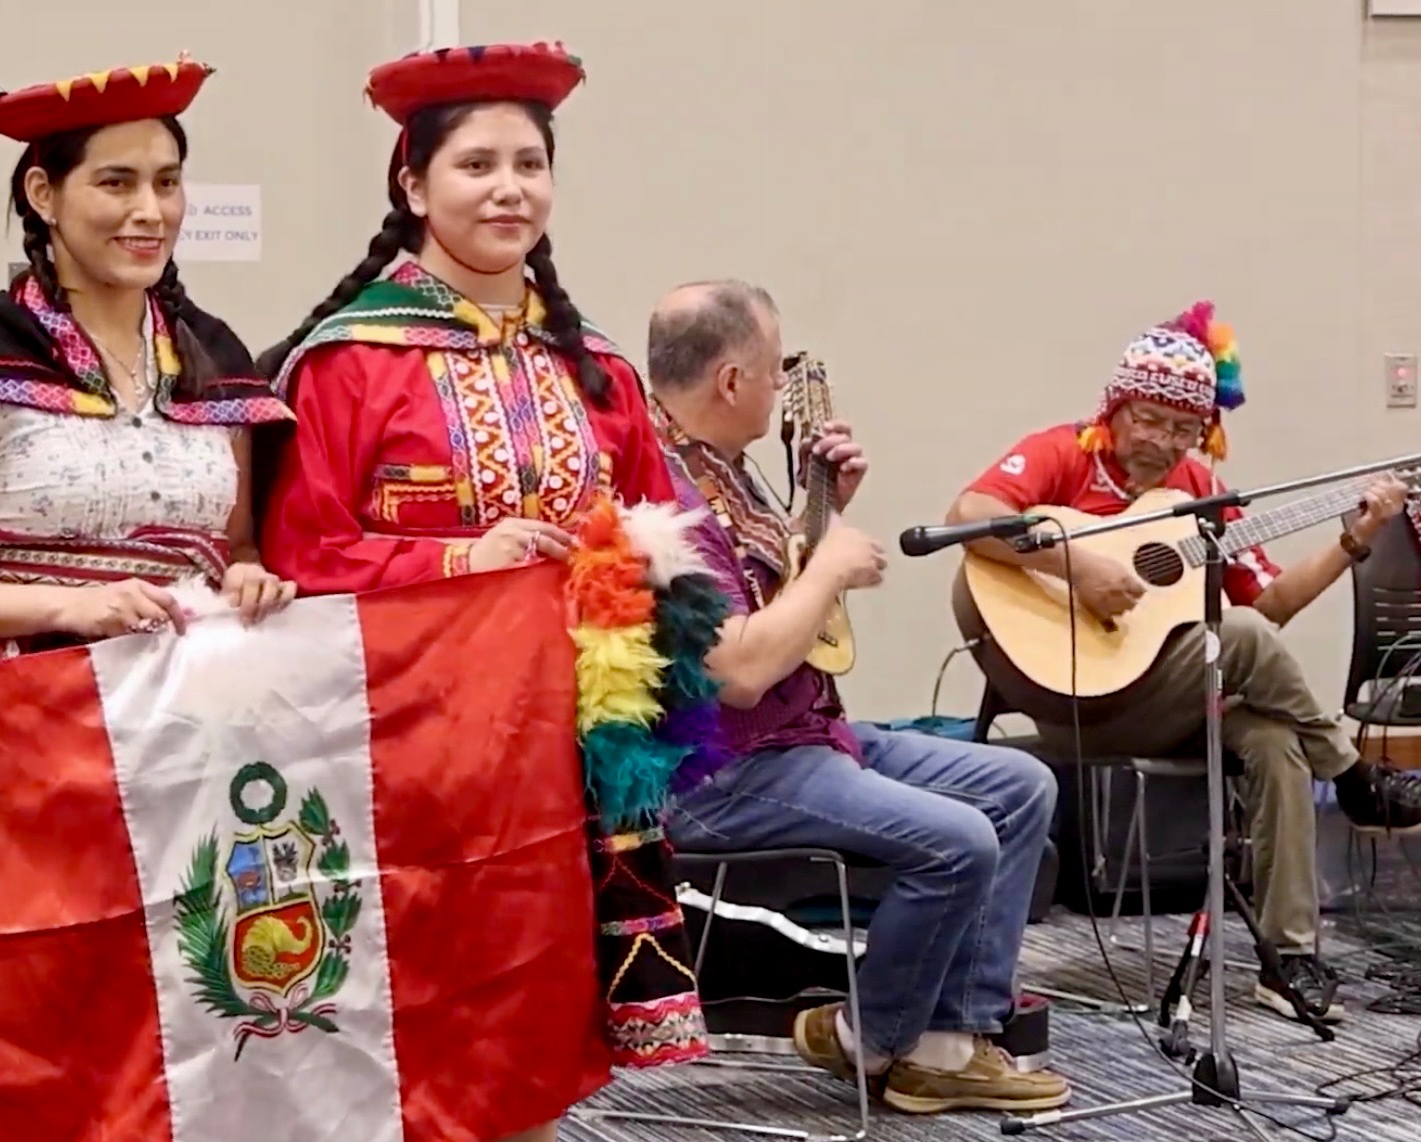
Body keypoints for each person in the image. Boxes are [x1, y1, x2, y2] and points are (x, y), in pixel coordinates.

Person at [255, 42, 695, 1142]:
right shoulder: (346, 363)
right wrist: (459, 560)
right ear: (411, 185)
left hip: (568, 747)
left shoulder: (594, 367)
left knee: (536, 1013)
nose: (509, 188)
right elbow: (301, 556)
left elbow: (661, 532)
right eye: (475, 165)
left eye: (530, 164)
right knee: (409, 1012)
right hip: (409, 745)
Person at [645, 280, 1070, 1114]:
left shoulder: (724, 470)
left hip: (800, 738)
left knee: (1023, 786)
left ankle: (947, 1041)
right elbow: (737, 673)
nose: (779, 388)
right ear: (731, 380)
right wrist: (834, 560)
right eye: (773, 369)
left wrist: (824, 510)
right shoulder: (661, 496)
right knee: (958, 840)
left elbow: (778, 593)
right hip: (721, 770)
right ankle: (864, 1036)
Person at [947, 300, 1421, 1023]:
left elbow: (1270, 608)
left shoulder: (1197, 493)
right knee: (1242, 642)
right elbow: (968, 517)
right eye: (1149, 418)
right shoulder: (1062, 453)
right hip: (1073, 695)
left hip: (1163, 696)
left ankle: (1287, 957)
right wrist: (1078, 570)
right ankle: (1354, 776)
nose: (1163, 441)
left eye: (1183, 428)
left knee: (1273, 737)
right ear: (1117, 406)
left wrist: (1353, 541)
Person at [0, 56, 296, 661]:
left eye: (167, 182)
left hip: (187, 714)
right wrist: (67, 605)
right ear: (44, 194)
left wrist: (248, 578)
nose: (151, 209)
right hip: (25, 713)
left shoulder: (215, 365)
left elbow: (239, 547)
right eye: (116, 183)